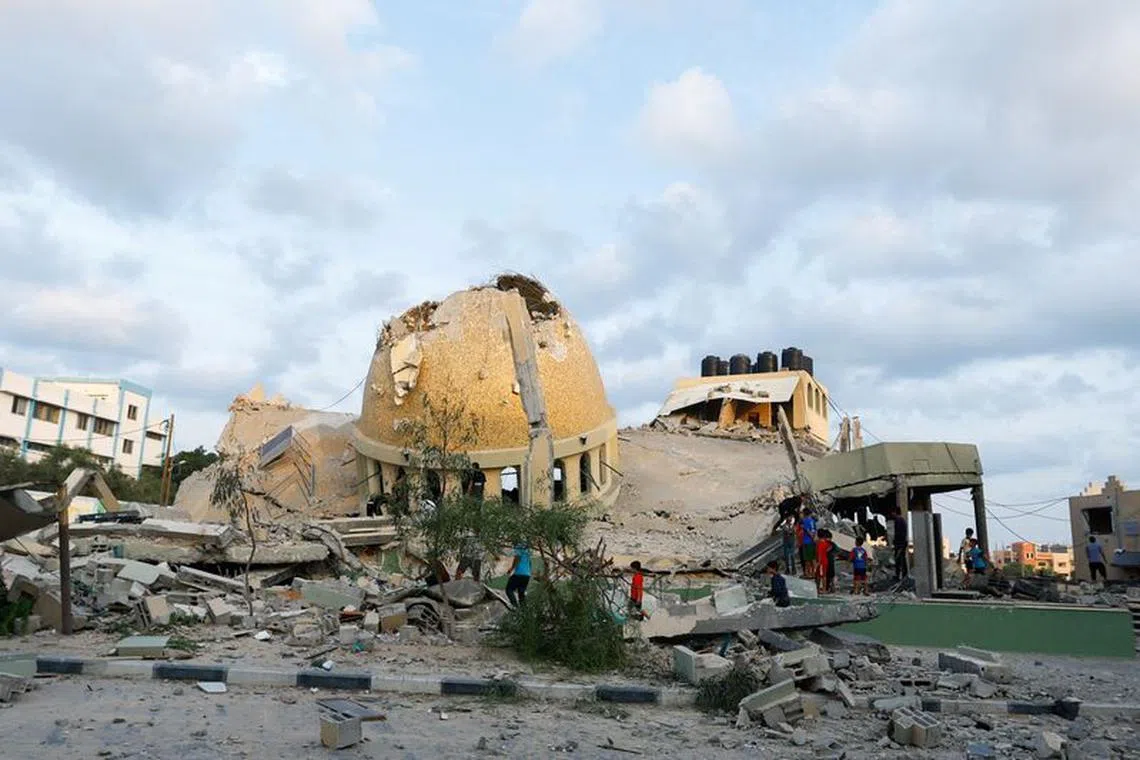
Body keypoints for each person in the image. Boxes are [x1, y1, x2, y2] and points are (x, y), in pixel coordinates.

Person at [891, 509, 909, 580]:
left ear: (895, 512)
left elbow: (898, 533)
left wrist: (895, 542)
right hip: (902, 542)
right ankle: (904, 574)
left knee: (898, 559)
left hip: (900, 543)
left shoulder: (898, 520)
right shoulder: (902, 520)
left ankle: (898, 575)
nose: (892, 514)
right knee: (902, 558)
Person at [801, 508, 818, 579]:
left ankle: (808, 573)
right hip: (813, 541)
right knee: (813, 558)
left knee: (807, 559)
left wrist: (812, 538)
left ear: (805, 513)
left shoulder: (805, 521)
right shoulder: (813, 521)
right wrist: (815, 539)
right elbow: (815, 530)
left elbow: (808, 530)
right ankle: (814, 573)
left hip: (807, 541)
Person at [815, 529, 833, 594]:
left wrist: (818, 563)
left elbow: (819, 553)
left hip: (821, 562)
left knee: (820, 576)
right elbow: (829, 548)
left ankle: (820, 589)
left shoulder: (819, 543)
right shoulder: (825, 543)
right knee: (823, 575)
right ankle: (823, 588)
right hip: (825, 560)